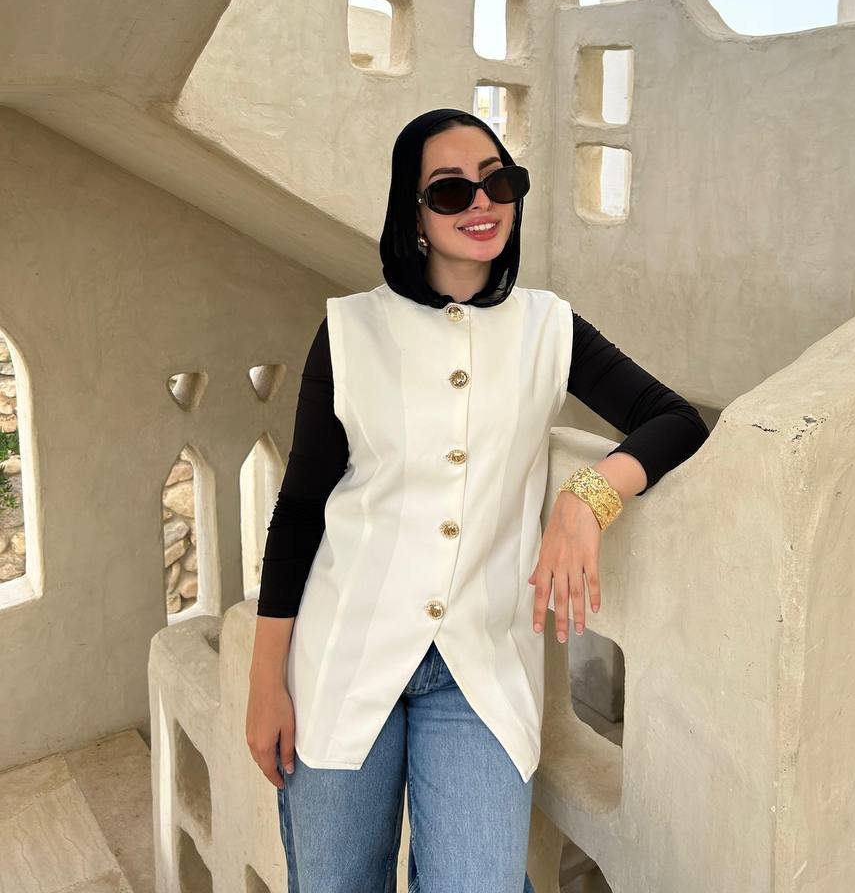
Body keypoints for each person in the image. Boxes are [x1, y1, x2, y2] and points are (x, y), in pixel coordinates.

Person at [246, 107, 709, 892]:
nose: (482, 203)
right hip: (342, 657)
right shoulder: (350, 332)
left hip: (480, 670)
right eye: (451, 190)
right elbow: (299, 512)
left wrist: (586, 498)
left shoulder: (549, 328)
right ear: (414, 214)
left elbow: (674, 421)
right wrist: (266, 684)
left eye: (499, 181)